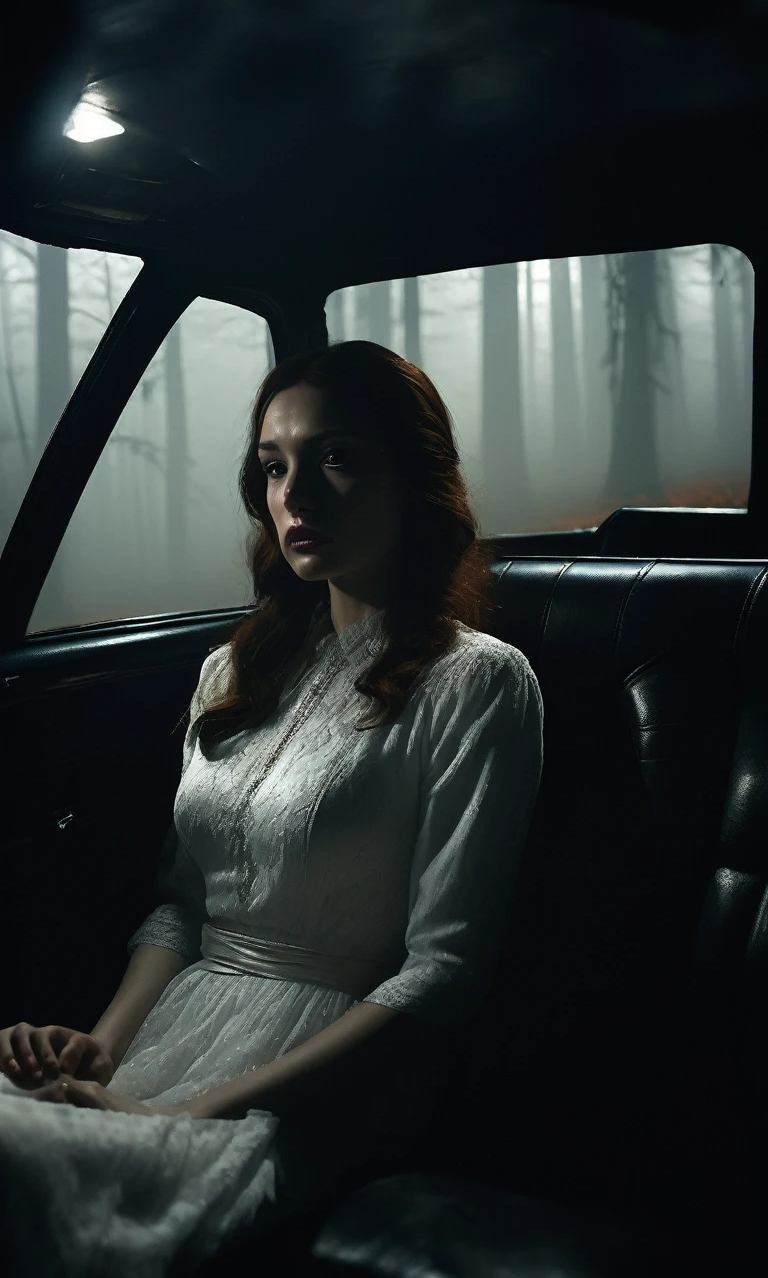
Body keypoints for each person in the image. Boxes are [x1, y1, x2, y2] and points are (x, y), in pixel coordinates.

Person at [0, 340, 544, 1276]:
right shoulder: (232, 670)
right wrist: (97, 1049)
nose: (297, 493)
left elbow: (444, 971)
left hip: (329, 1077)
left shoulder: (478, 683)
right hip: (171, 1027)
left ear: (415, 479)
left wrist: (175, 1118)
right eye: (274, 466)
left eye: (336, 458)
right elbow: (182, 904)